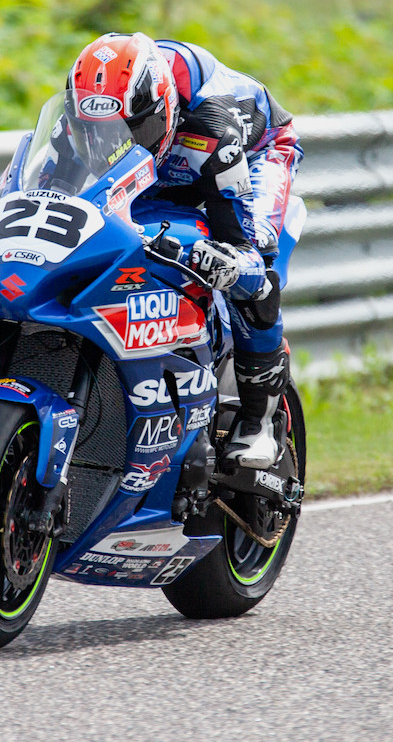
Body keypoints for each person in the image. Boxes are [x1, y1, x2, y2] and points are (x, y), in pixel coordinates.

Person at [68, 32, 304, 470]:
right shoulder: (81, 119)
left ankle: (261, 420)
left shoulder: (212, 126)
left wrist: (234, 257)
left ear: (162, 110)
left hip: (250, 154)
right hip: (169, 162)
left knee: (248, 263)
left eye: (132, 131)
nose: (112, 144)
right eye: (95, 133)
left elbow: (238, 243)